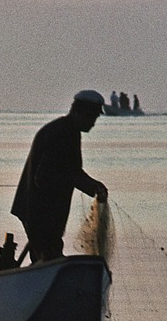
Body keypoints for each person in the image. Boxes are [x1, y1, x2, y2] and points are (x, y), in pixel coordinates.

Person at [11, 90, 109, 263]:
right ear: (78, 112)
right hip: (38, 212)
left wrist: (91, 184)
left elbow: (72, 170)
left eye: (95, 118)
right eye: (91, 117)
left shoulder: (69, 131)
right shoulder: (60, 133)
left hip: (48, 214)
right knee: (48, 257)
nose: (93, 123)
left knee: (46, 257)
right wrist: (86, 185)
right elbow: (44, 178)